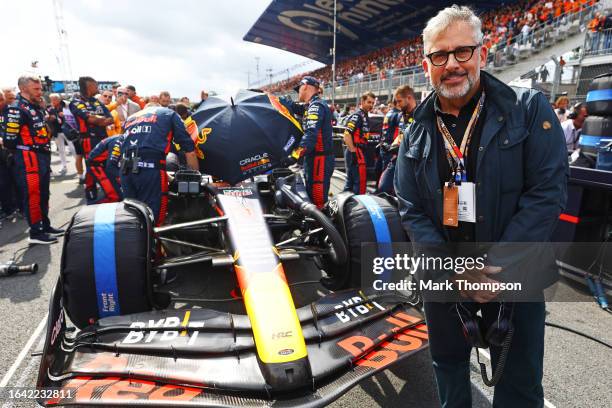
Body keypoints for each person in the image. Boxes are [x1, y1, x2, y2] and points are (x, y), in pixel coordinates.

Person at [395, 5, 567, 408]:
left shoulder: (528, 109)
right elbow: (411, 209)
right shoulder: (415, 133)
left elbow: (546, 195)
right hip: (445, 282)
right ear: (427, 65)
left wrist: (494, 269)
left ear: (482, 55)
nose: (451, 64)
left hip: (515, 281)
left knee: (520, 389)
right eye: (440, 55)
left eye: (462, 52)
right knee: (450, 375)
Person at [2, 76, 65, 244]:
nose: (40, 91)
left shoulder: (35, 106)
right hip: (27, 158)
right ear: (23, 89)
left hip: (41, 156)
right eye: (36, 89)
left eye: (40, 88)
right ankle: (36, 233)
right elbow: (9, 140)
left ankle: (45, 226)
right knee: (33, 195)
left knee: (44, 193)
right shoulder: (16, 109)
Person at [120, 104, 198, 226]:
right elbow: (189, 150)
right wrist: (194, 179)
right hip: (150, 172)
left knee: (132, 219)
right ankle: (153, 244)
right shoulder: (168, 113)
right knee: (154, 221)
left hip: (125, 170)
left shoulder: (130, 118)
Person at [288, 76, 335, 208]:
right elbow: (298, 109)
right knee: (312, 196)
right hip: (314, 159)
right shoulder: (313, 105)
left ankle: (322, 228)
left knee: (317, 202)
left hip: (319, 160)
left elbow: (310, 136)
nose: (298, 92)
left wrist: (294, 156)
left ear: (306, 86)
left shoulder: (316, 105)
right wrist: (280, 101)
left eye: (299, 89)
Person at [69, 76, 114, 202]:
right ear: (89, 86)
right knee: (92, 167)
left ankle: (108, 192)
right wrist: (99, 119)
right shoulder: (76, 102)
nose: (98, 88)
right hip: (89, 140)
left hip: (103, 138)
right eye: (96, 85)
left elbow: (110, 118)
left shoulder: (96, 101)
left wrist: (98, 119)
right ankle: (91, 193)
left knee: (106, 165)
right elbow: (89, 119)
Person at [376, 85, 417, 194]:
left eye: (399, 101)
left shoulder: (421, 115)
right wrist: (391, 147)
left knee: (405, 193)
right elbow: (400, 135)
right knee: (383, 187)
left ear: (409, 98)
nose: (397, 104)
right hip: (398, 158)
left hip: (412, 163)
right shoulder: (402, 115)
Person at [343, 91, 375, 194]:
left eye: (372, 103)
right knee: (359, 182)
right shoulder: (357, 116)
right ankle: (357, 206)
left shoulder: (365, 116)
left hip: (359, 151)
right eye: (369, 102)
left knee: (352, 182)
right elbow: (347, 134)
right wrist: (353, 151)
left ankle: (345, 204)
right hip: (355, 151)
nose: (371, 105)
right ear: (362, 101)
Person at [87, 134, 124, 203]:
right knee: (115, 197)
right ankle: (91, 210)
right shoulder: (118, 142)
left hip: (102, 164)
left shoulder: (122, 137)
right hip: (97, 166)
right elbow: (111, 167)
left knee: (119, 192)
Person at [47, 93, 76, 175]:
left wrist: (65, 115)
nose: (52, 101)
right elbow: (48, 118)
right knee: (61, 150)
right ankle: (64, 166)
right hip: (57, 131)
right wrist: (50, 118)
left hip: (67, 130)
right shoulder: (50, 108)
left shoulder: (65, 106)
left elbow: (73, 115)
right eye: (51, 99)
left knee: (72, 148)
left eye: (54, 99)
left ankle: (78, 164)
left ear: (58, 99)